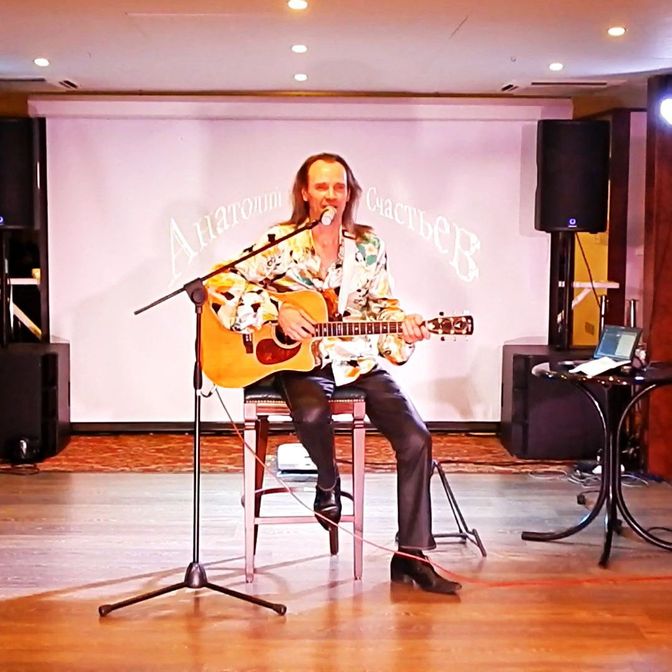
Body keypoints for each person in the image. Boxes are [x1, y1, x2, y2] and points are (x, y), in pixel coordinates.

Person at [206, 152, 461, 595]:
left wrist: (405, 328)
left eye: (339, 187)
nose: (331, 195)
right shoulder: (280, 242)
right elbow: (220, 282)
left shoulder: (368, 246)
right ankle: (328, 481)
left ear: (349, 194)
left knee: (416, 438)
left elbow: (383, 308)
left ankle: (411, 556)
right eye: (321, 186)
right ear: (305, 193)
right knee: (310, 414)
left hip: (354, 359)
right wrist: (278, 311)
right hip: (299, 363)